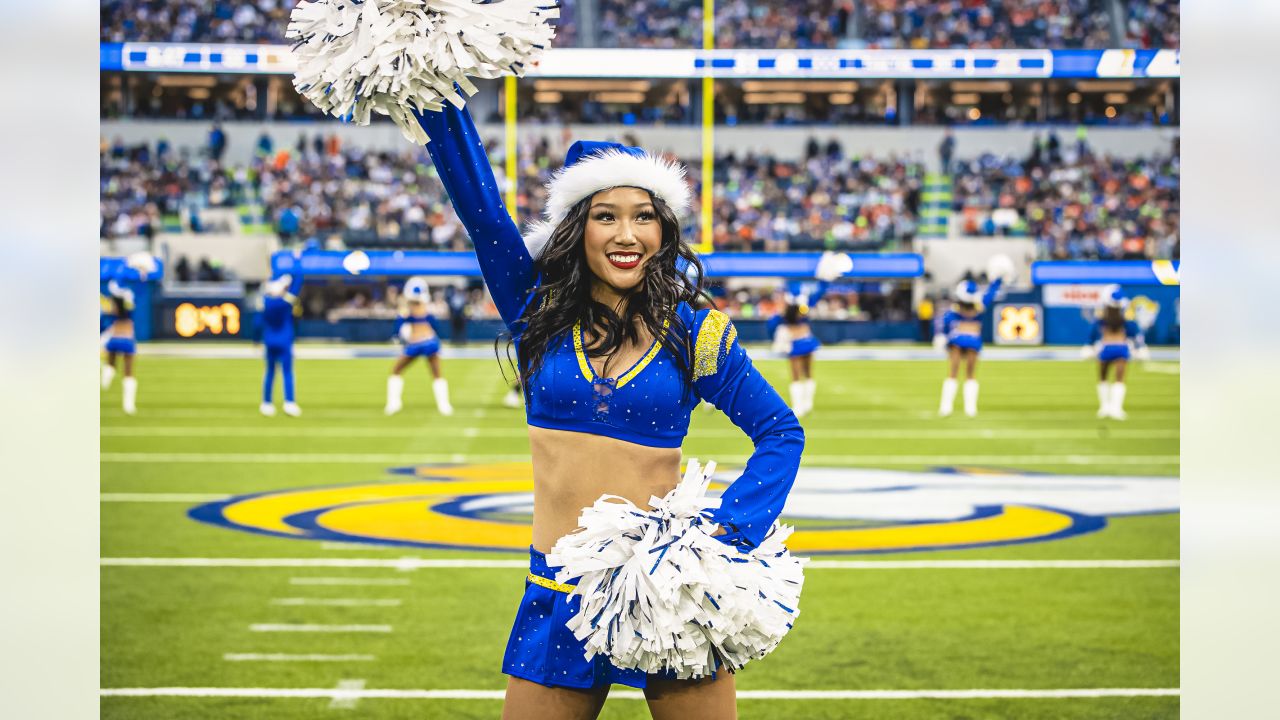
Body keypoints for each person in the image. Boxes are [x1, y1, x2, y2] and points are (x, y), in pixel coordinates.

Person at [415, 100, 804, 719]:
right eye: (606, 216)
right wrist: (434, 95)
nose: (627, 235)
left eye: (644, 217)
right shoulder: (534, 310)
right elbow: (481, 209)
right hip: (557, 592)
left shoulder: (692, 331)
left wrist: (723, 534)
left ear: (663, 228)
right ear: (576, 228)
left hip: (667, 593)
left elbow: (781, 432)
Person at [934, 277, 1004, 417]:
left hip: (969, 341)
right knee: (957, 372)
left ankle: (967, 408)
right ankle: (949, 407)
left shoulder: (974, 306)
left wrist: (998, 279)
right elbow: (944, 321)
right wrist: (941, 334)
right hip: (959, 340)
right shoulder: (959, 309)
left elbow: (989, 294)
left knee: (965, 373)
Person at [384, 276, 453, 416]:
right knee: (437, 374)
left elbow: (398, 325)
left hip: (415, 342)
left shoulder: (407, 308)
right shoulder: (427, 307)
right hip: (430, 341)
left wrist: (397, 336)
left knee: (396, 370)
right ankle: (444, 405)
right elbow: (435, 326)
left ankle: (394, 403)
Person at [1084, 288, 1148, 420]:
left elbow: (1092, 331)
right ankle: (1111, 408)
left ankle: (1110, 407)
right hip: (1117, 347)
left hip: (1110, 347)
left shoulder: (1104, 316)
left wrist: (1090, 345)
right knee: (1115, 378)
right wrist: (1139, 347)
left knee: (1105, 377)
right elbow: (1134, 332)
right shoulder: (1121, 315)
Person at [768, 280, 828, 418]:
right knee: (807, 373)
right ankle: (805, 404)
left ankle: (801, 406)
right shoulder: (802, 306)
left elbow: (773, 324)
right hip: (805, 339)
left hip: (797, 342)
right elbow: (817, 297)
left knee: (797, 375)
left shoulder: (790, 309)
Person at [256, 273, 305, 417]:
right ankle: (289, 402)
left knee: (270, 372)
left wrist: (256, 341)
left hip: (270, 341)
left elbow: (257, 323)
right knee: (287, 372)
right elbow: (297, 285)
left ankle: (266, 403)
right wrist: (297, 261)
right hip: (284, 342)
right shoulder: (286, 302)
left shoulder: (265, 302)